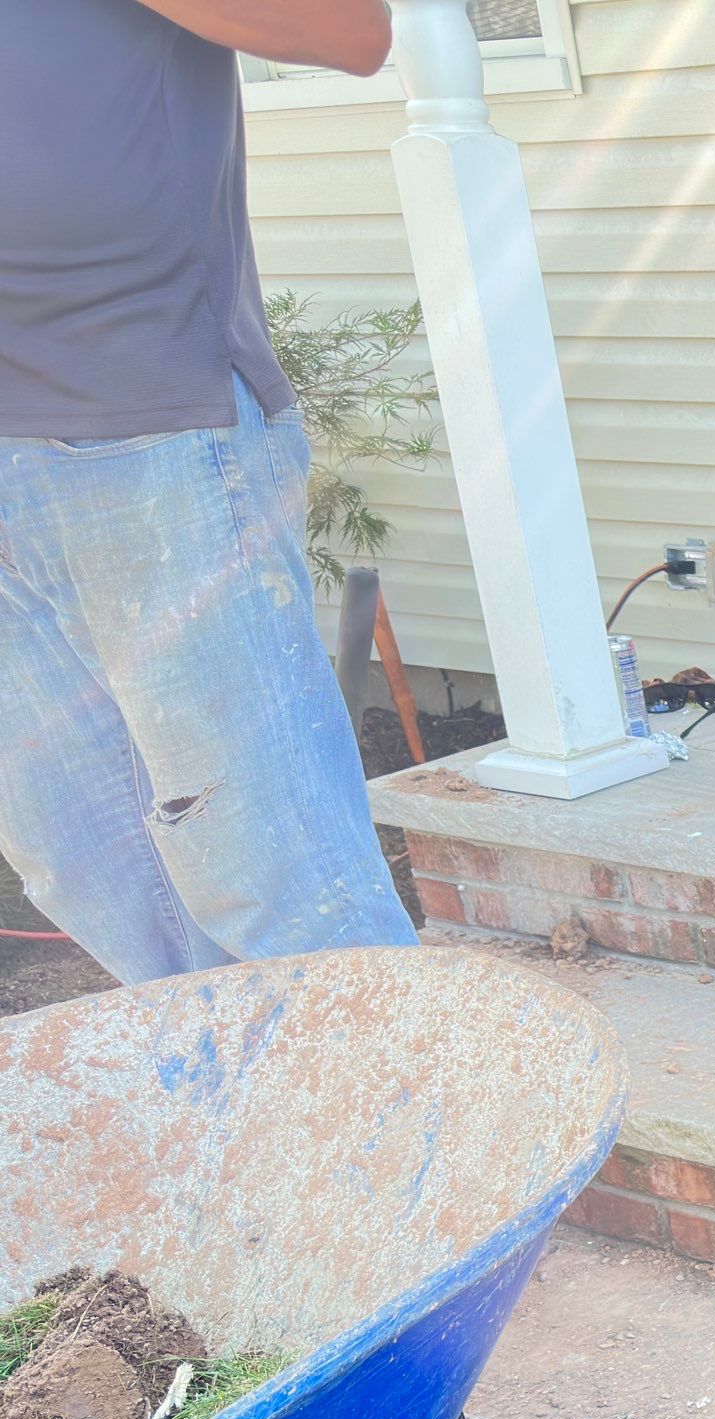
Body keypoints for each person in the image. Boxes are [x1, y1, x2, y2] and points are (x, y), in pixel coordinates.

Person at [0, 0, 418, 985]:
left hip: (147, 424)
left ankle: (382, 1079)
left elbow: (351, 30)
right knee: (87, 860)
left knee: (277, 872)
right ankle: (240, 1078)